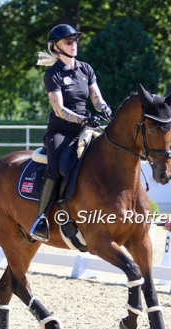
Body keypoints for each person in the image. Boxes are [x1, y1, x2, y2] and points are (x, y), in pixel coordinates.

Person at [30, 24, 112, 242]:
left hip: (86, 129)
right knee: (56, 169)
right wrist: (84, 119)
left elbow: (97, 98)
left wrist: (106, 111)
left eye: (75, 40)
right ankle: (41, 219)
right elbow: (59, 109)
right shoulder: (53, 74)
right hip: (61, 131)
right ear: (56, 47)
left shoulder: (86, 69)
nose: (73, 45)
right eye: (68, 41)